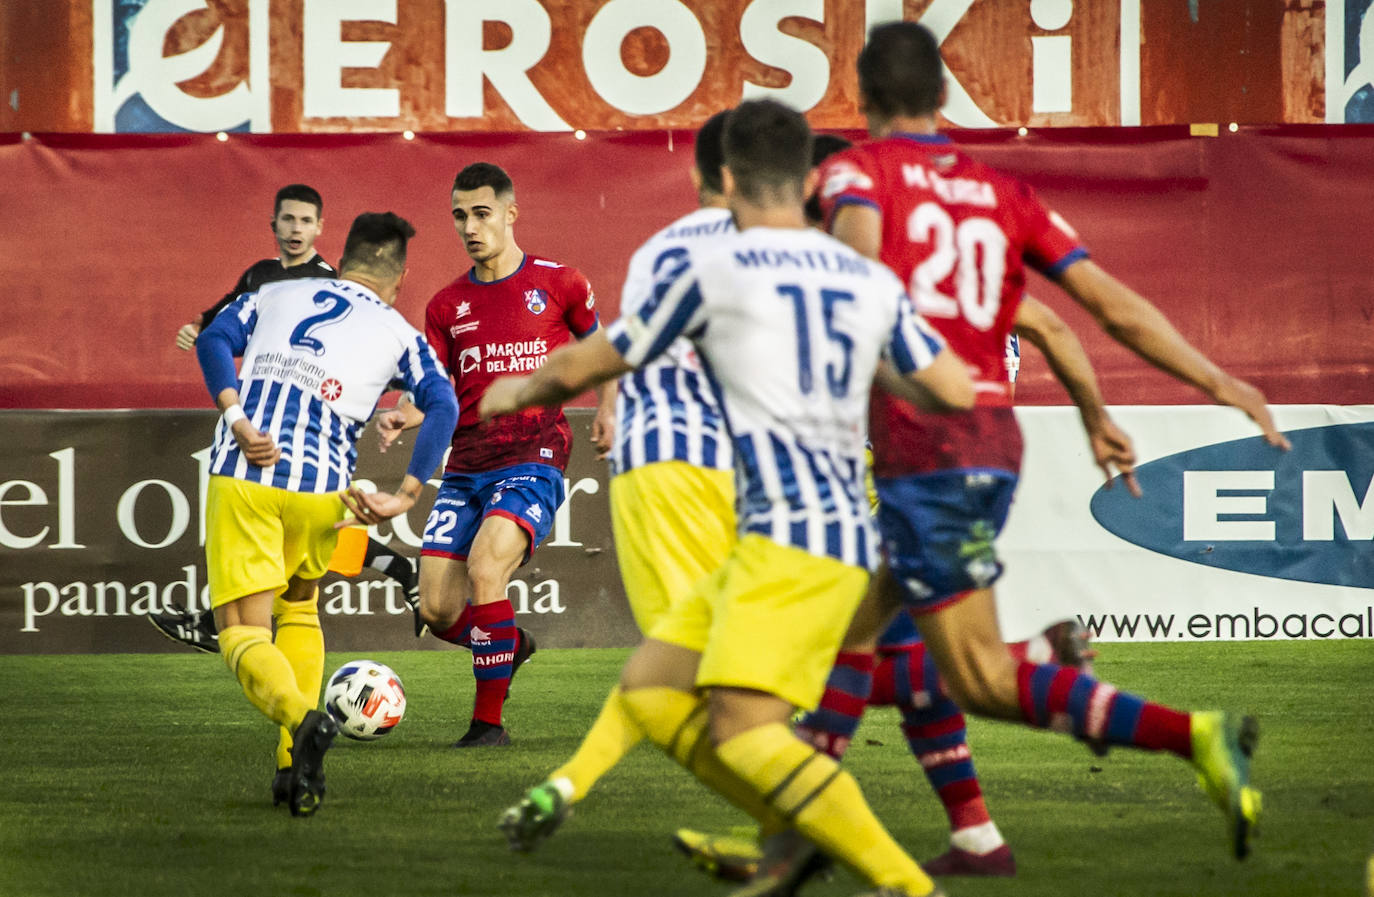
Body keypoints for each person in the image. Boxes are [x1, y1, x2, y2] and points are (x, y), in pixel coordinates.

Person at [811, 20, 1289, 868]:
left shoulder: (855, 173)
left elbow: (851, 295)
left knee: (976, 678)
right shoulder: (1005, 193)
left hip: (929, 453)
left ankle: (1197, 736)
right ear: (944, 95)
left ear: (865, 98)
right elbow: (1105, 308)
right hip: (994, 445)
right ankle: (937, 835)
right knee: (853, 640)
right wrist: (1221, 383)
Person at [480, 99, 975, 897]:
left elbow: (602, 356)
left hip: (784, 536)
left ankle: (904, 883)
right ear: (810, 179)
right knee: (649, 682)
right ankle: (821, 855)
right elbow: (952, 386)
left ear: (727, 177)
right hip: (842, 532)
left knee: (742, 730)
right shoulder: (863, 279)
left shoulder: (717, 271)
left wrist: (516, 389)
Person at [497, 109, 738, 850]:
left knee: (688, 665)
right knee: (724, 670)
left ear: (700, 174)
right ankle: (804, 822)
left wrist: (534, 386)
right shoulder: (797, 248)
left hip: (665, 473)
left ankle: (568, 783)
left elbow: (621, 348)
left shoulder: (663, 250)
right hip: (745, 475)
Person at [195, 211, 458, 816]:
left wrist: (238, 419)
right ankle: (293, 769)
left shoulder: (275, 292)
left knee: (242, 629)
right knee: (299, 607)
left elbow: (212, 340)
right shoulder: (398, 331)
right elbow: (442, 402)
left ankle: (304, 719)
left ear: (343, 259)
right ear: (399, 278)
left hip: (246, 475)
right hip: (323, 489)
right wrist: (407, 494)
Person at [380, 162, 617, 748]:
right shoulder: (444, 306)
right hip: (465, 465)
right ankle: (508, 643)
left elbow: (603, 350)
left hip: (534, 453)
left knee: (488, 567)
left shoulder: (560, 282)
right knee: (436, 609)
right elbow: (434, 391)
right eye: (460, 215)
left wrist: (608, 409)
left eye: (481, 213)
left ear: (511, 214)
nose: (469, 226)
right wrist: (407, 412)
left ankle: (488, 725)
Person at [151, 183, 417, 653]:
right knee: (293, 532)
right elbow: (225, 313)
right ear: (273, 225)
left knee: (298, 530)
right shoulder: (263, 275)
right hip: (260, 415)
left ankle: (226, 626)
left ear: (320, 228)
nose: (296, 228)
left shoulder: (326, 282)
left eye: (305, 220)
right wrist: (199, 325)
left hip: (310, 424)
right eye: (287, 219)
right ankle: (399, 571)